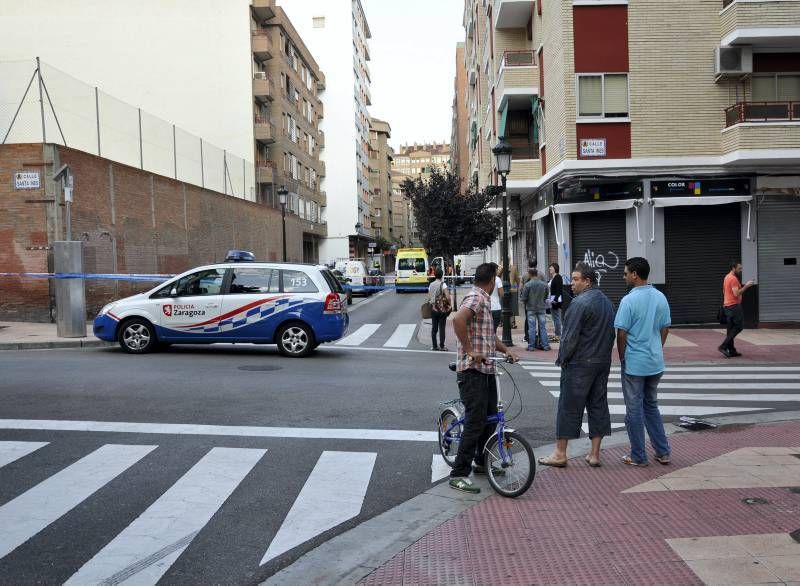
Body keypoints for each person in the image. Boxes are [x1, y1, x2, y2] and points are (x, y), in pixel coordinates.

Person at [449, 263, 520, 493]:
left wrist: (505, 350)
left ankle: (482, 461)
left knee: (489, 417)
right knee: (475, 420)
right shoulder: (477, 298)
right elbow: (458, 320)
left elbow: (489, 337)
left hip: (486, 369)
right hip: (472, 371)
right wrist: (470, 351)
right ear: (491, 281)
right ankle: (459, 473)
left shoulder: (483, 299)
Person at [538, 262, 615, 468]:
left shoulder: (579, 304)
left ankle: (560, 453)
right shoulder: (607, 302)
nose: (571, 284)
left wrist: (562, 359)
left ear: (587, 281)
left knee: (568, 406)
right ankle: (594, 454)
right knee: (598, 405)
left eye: (575, 279)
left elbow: (569, 337)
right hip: (602, 361)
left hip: (580, 362)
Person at [615, 257, 672, 466]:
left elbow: (621, 333)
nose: (623, 277)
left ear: (634, 275)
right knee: (651, 406)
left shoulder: (628, 301)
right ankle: (663, 451)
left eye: (625, 273)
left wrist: (622, 357)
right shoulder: (660, 297)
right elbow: (665, 327)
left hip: (634, 363)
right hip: (655, 361)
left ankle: (638, 455)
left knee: (634, 409)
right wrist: (658, 347)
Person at [719, 261, 754, 358]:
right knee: (739, 327)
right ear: (733, 268)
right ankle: (723, 346)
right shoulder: (733, 279)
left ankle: (732, 350)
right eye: (739, 268)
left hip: (727, 306)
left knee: (730, 329)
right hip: (734, 306)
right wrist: (747, 286)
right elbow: (736, 293)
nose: (741, 270)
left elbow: (724, 291)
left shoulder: (726, 277)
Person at [520, 268, 550, 352]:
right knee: (543, 327)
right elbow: (547, 294)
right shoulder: (544, 284)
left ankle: (531, 346)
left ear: (530, 274)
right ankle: (545, 345)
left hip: (531, 308)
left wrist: (525, 302)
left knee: (532, 328)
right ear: (537, 274)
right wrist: (543, 300)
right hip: (541, 307)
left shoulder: (528, 285)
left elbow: (524, 297)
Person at [428, 267, 450, 351]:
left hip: (433, 309)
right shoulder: (443, 284)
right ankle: (442, 346)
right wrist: (449, 304)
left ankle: (434, 346)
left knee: (434, 328)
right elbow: (448, 297)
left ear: (434, 275)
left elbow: (429, 296)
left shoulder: (431, 284)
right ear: (442, 275)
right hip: (442, 309)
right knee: (442, 328)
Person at [548, 263, 564, 343]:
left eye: (551, 267)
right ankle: (557, 334)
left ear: (555, 268)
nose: (549, 268)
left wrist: (555, 300)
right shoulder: (553, 278)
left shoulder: (558, 277)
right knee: (555, 318)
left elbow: (558, 290)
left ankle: (558, 335)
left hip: (555, 301)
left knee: (557, 318)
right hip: (552, 300)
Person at [489, 264, 504, 332]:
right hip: (496, 308)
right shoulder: (497, 279)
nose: (498, 271)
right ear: (494, 270)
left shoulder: (485, 279)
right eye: (497, 269)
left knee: (488, 330)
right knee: (493, 330)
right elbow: (502, 294)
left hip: (487, 308)